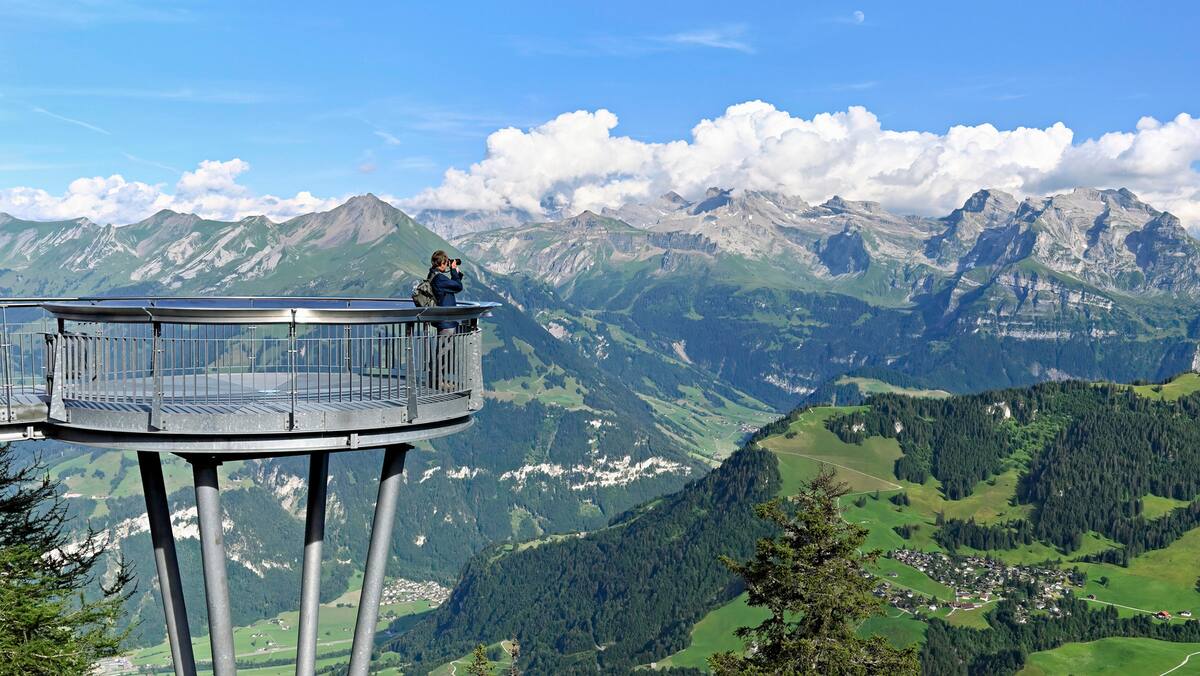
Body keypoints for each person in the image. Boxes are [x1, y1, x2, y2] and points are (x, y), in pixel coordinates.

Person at [428, 250, 464, 390]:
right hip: (446, 321)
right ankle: (438, 382)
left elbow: (454, 287)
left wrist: (456, 274)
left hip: (446, 320)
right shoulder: (439, 278)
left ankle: (440, 380)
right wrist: (454, 270)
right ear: (441, 263)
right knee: (443, 353)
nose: (447, 264)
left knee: (444, 352)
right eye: (446, 262)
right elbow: (458, 287)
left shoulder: (436, 276)